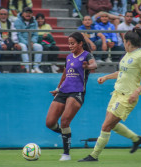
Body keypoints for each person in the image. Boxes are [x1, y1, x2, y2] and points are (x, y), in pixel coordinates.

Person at [78, 27, 141, 162]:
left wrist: (137, 92)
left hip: (128, 96)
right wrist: (106, 77)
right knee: (111, 125)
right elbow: (122, 72)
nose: (124, 44)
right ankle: (136, 139)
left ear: (129, 42)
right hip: (117, 93)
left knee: (106, 126)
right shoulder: (127, 54)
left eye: (124, 41)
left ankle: (94, 156)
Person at [46, 32, 97, 161]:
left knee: (64, 121)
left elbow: (94, 65)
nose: (70, 46)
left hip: (77, 92)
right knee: (50, 123)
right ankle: (65, 134)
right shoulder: (68, 57)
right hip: (63, 91)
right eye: (69, 43)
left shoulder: (86, 55)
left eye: (72, 43)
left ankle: (66, 154)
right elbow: (64, 75)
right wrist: (58, 89)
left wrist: (88, 66)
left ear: (80, 43)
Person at [14, 7, 43, 73]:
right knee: (23, 47)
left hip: (31, 42)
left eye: (30, 13)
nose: (28, 14)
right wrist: (27, 43)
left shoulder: (34, 22)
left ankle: (36, 67)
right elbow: (18, 35)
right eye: (26, 12)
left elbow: (35, 34)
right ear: (22, 14)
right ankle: (27, 67)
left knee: (39, 47)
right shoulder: (18, 21)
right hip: (20, 41)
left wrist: (32, 42)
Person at [0, 8, 24, 72]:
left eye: (5, 14)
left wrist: (15, 42)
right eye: (1, 14)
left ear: (7, 15)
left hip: (9, 41)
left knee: (18, 48)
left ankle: (15, 68)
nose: (3, 16)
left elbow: (14, 33)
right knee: (0, 47)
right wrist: (2, 43)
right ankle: (0, 68)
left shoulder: (10, 23)